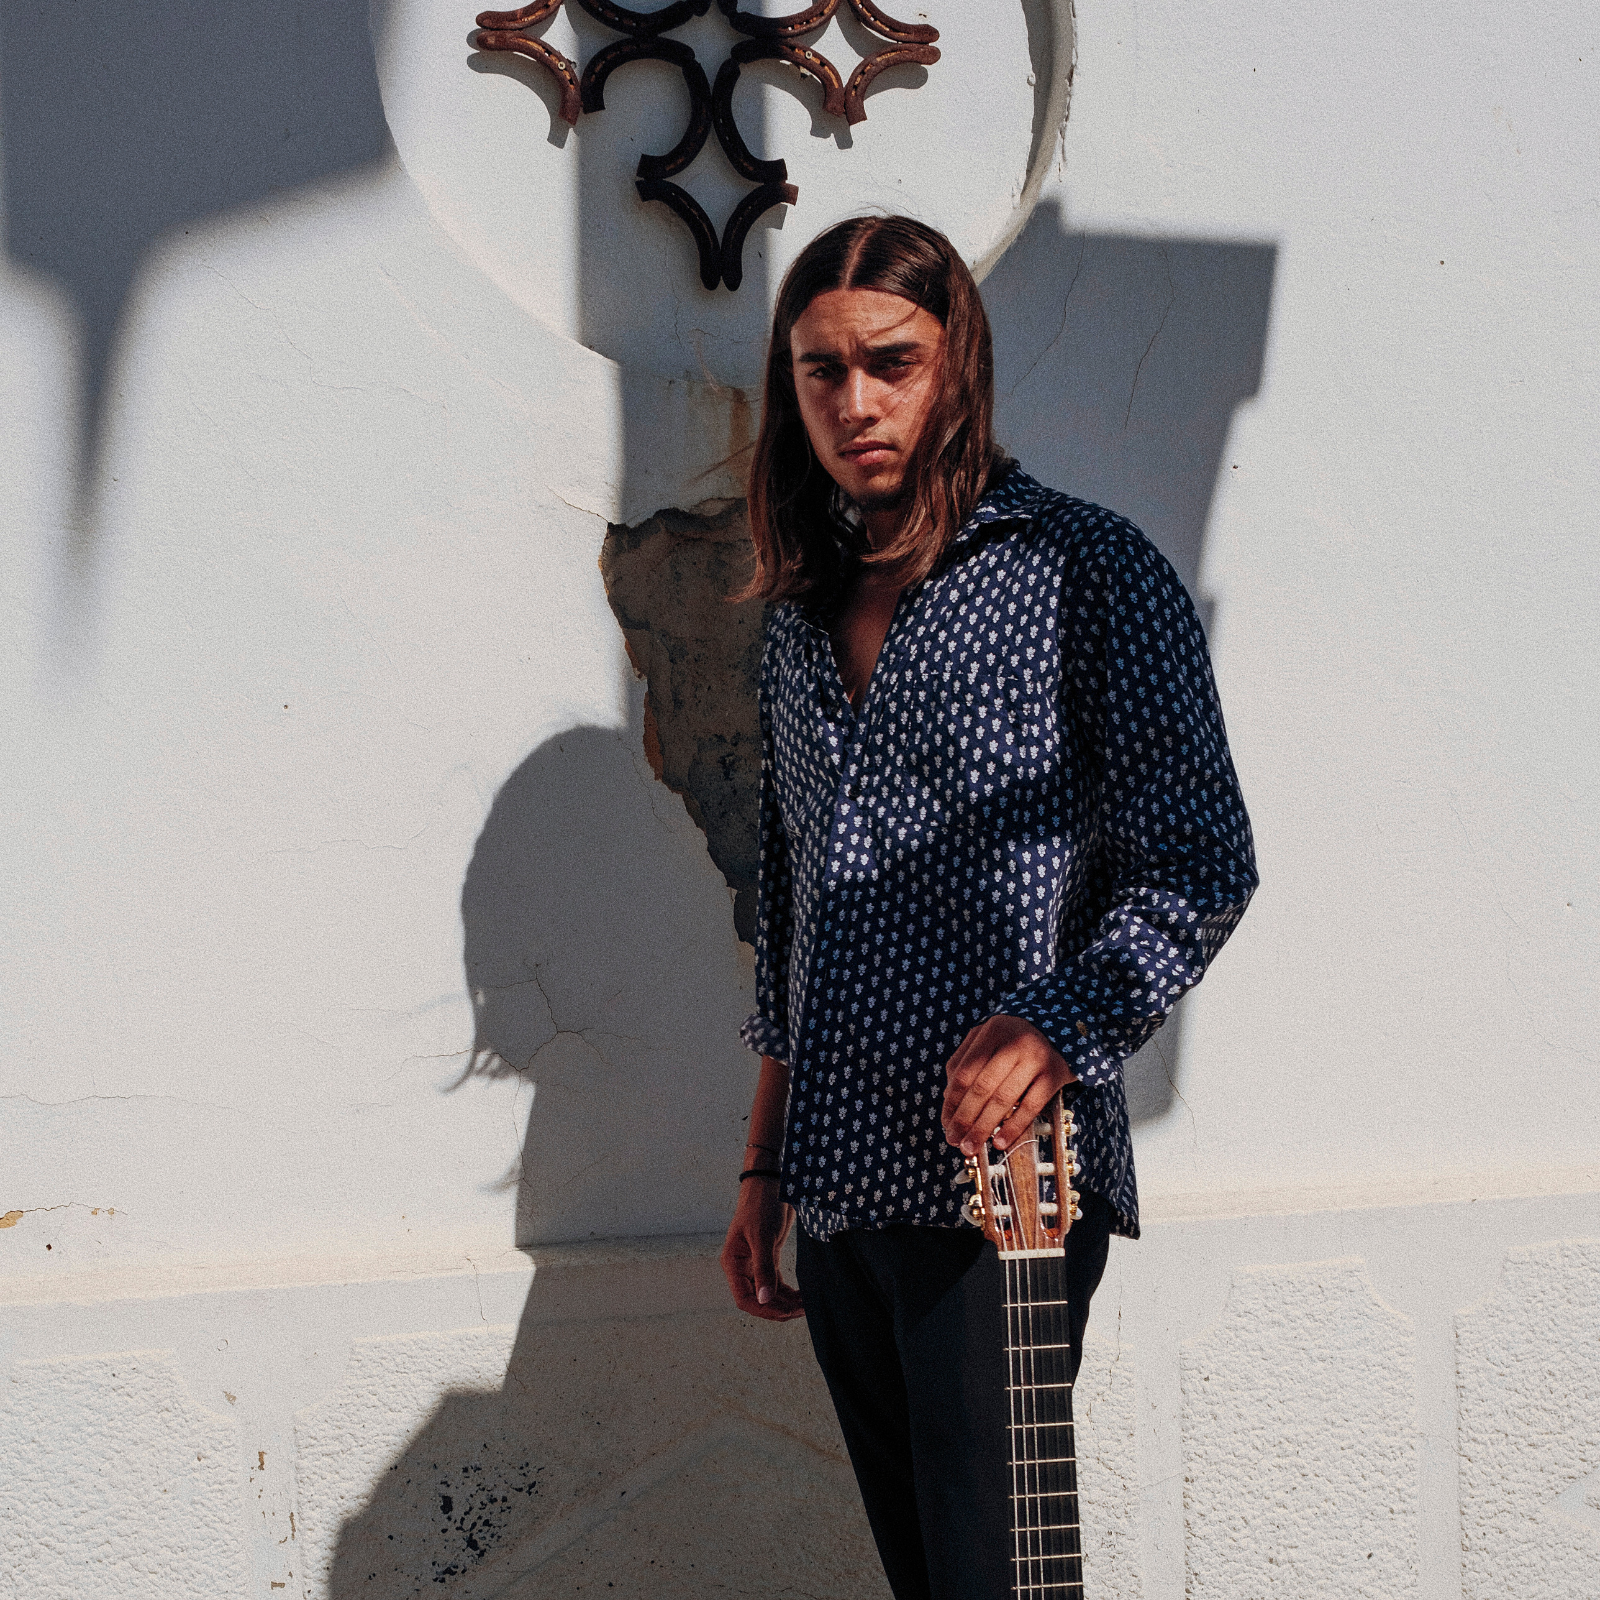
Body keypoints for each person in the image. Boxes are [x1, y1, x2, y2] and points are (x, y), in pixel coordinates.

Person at [719, 215, 1257, 1600]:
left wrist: (1059, 1025)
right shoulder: (792, 617)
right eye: (820, 372)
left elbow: (1201, 858)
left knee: (999, 1580)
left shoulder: (1090, 572)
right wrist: (763, 1161)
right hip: (837, 1187)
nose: (855, 405)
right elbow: (792, 898)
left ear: (959, 366)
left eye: (890, 364)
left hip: (1001, 1189)